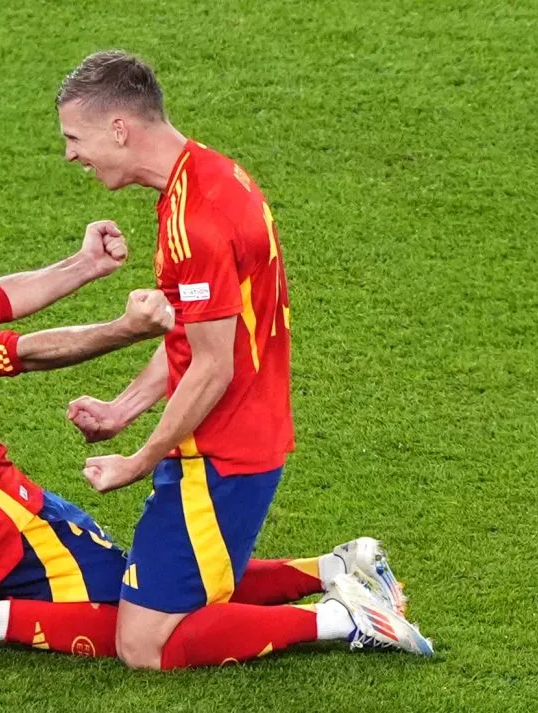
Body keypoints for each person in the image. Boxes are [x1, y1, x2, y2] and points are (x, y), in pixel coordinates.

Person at [0, 187, 419, 668]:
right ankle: (344, 616)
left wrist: (84, 266)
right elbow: (27, 351)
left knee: (154, 585)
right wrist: (127, 328)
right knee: (145, 628)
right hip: (6, 533)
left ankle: (335, 565)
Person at [57, 50, 434, 669]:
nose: (72, 153)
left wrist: (139, 458)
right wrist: (122, 408)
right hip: (236, 434)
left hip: (221, 452)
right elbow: (200, 334)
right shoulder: (210, 174)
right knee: (178, 584)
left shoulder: (196, 219)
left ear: (119, 128)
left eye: (75, 137)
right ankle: (339, 568)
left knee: (143, 644)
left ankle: (345, 620)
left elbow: (212, 366)